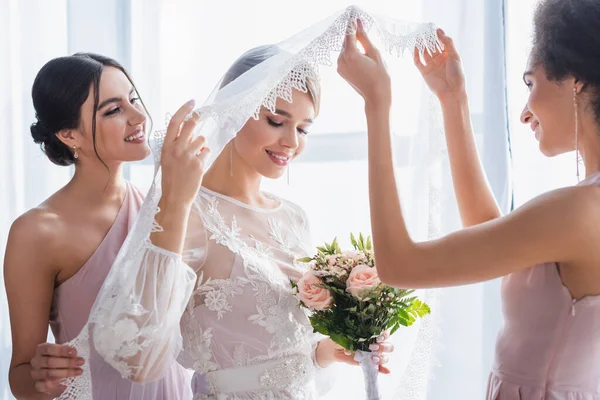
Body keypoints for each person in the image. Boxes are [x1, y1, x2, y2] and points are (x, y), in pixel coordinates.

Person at [337, 1, 600, 398]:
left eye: (531, 84)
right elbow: (489, 237)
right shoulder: (581, 208)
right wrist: (452, 99)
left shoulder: (578, 211)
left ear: (575, 80)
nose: (526, 114)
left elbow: (398, 263)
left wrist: (377, 104)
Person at [4, 53, 192, 399]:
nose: (138, 117)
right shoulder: (38, 232)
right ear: (68, 134)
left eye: (133, 99)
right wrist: (42, 378)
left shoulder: (165, 208)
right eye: (113, 110)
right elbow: (20, 375)